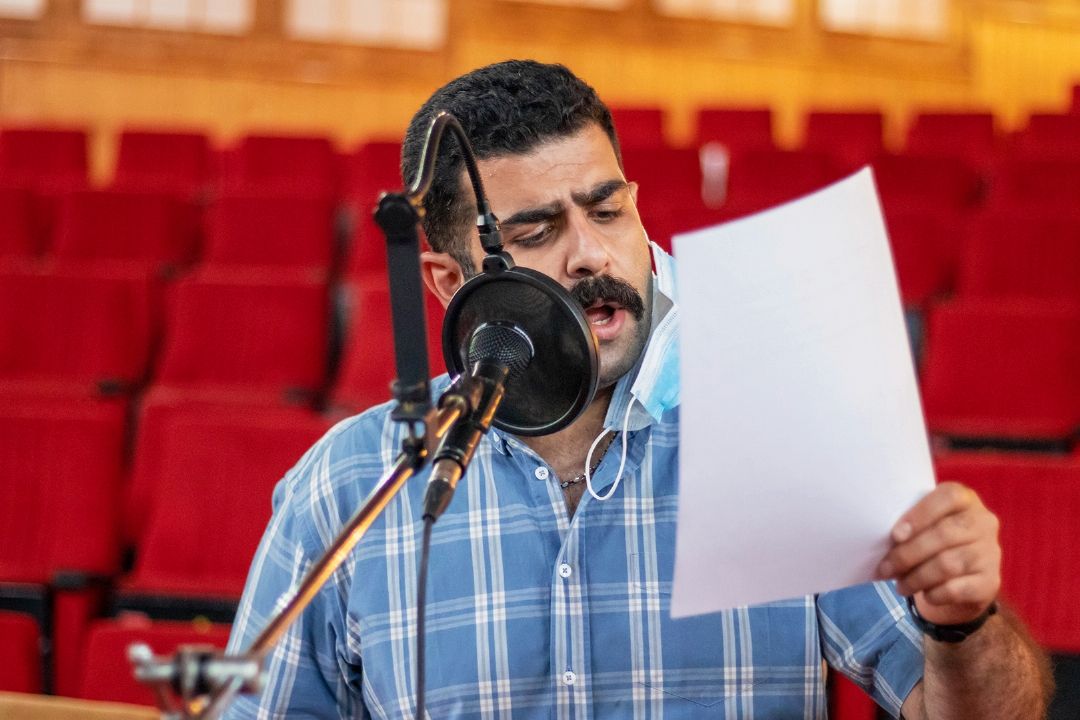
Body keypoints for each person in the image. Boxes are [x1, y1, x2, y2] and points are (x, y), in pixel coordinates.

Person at [224, 60, 1051, 718]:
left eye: (607, 210)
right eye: (536, 232)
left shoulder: (777, 430)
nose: (592, 255)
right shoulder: (347, 486)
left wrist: (963, 623)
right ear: (449, 283)